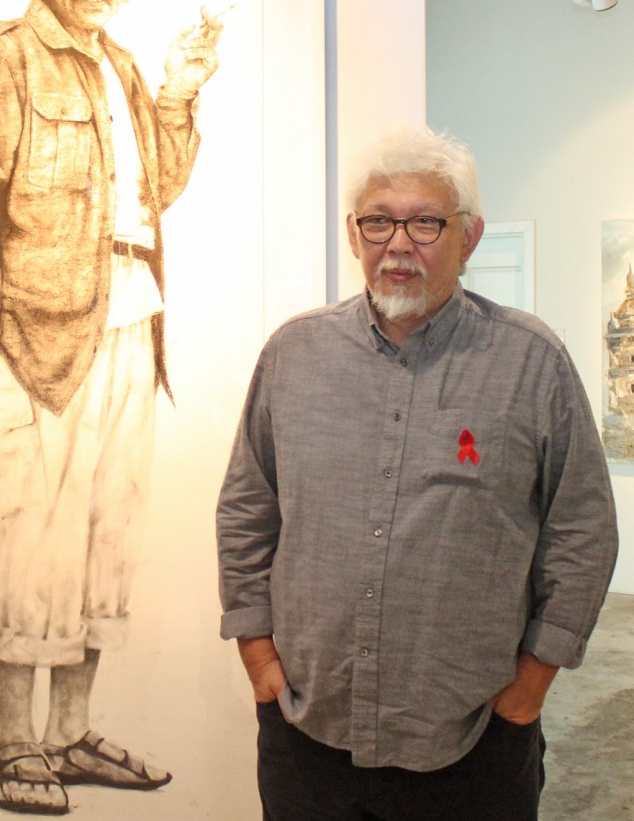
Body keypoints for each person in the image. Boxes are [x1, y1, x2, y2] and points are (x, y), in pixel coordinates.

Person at [0, 0, 224, 816]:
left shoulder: (122, 67)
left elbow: (156, 191)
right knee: (31, 542)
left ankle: (69, 736)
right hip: (36, 340)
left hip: (132, 321)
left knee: (104, 537)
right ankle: (13, 747)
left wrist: (178, 92)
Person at [216, 125, 618, 821]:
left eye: (424, 222)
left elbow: (581, 530)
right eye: (378, 221)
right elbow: (246, 511)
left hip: (471, 742)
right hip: (309, 735)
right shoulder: (294, 355)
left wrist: (528, 690)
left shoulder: (530, 362)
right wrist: (258, 660)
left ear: (468, 236)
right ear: (353, 235)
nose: (397, 244)